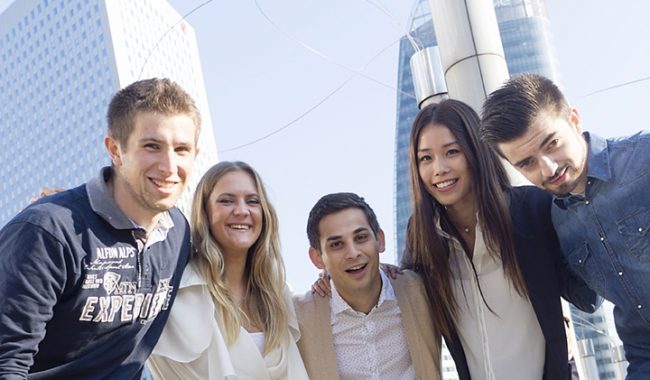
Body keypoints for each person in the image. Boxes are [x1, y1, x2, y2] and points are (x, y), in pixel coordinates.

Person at [0, 78, 200, 378]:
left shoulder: (178, 233)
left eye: (182, 149)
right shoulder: (48, 232)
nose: (169, 166)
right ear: (115, 150)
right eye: (152, 146)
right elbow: (7, 363)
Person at [404, 99, 600, 380]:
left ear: (476, 150)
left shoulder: (532, 209)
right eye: (426, 158)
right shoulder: (422, 236)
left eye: (452, 151)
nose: (439, 168)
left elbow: (588, 296)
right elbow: (402, 303)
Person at [480, 73, 650, 379]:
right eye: (526, 163)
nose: (549, 167)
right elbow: (587, 300)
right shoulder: (557, 223)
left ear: (573, 119)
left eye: (552, 144)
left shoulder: (644, 159)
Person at [147, 161, 309, 380]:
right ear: (205, 212)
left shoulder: (279, 295)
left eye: (252, 201)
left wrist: (332, 280)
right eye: (226, 200)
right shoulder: (176, 293)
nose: (242, 211)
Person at [295, 192, 441, 380]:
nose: (353, 253)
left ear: (379, 239)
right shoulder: (300, 318)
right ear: (317, 258)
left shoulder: (422, 291)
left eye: (361, 237)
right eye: (337, 244)